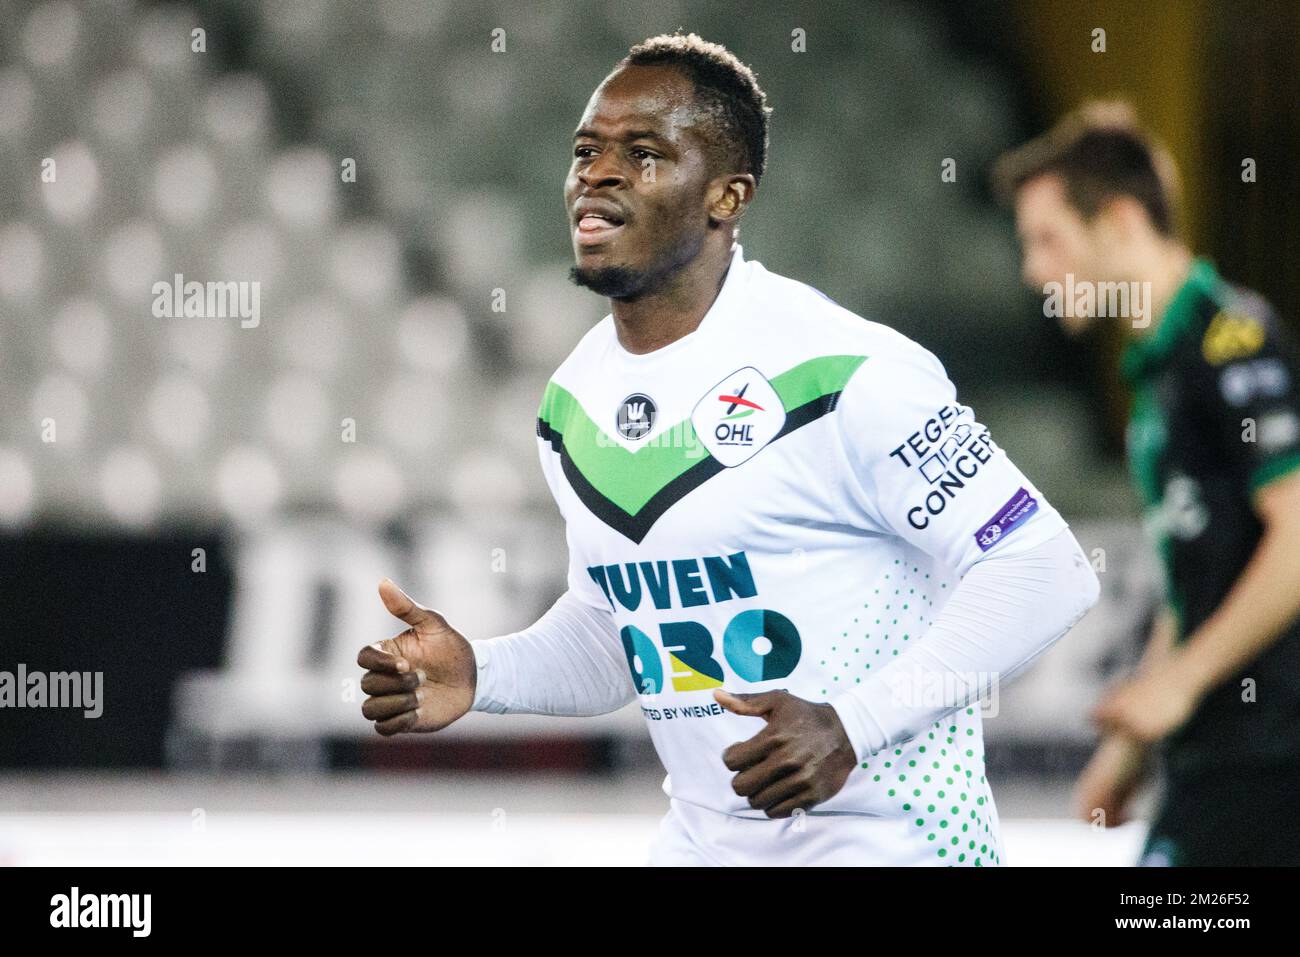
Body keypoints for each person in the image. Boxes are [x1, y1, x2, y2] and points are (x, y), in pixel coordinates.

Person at [358, 33, 1099, 866]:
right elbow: (620, 632)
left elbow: (1044, 568)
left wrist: (853, 725)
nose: (595, 174)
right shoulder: (572, 401)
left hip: (892, 848)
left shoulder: (847, 371)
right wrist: (482, 671)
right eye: (585, 151)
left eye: (642, 153)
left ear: (726, 196)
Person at [994, 101, 1300, 866]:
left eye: (1047, 239)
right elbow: (1197, 578)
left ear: (1122, 220)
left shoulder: (1231, 338)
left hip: (1274, 757)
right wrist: (1130, 747)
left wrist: (1179, 684)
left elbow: (1298, 534)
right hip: (1222, 757)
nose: (1034, 269)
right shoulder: (1157, 374)